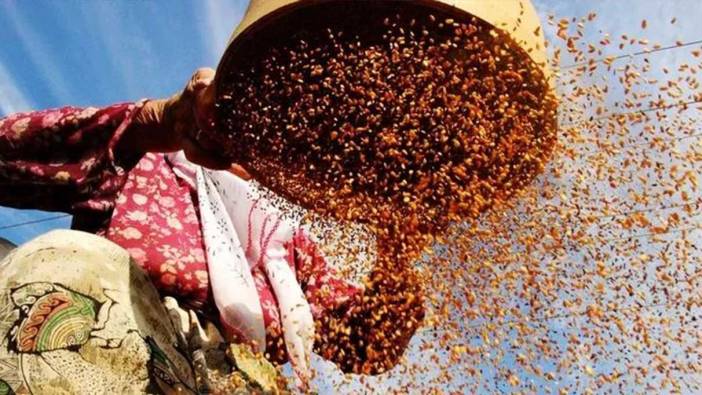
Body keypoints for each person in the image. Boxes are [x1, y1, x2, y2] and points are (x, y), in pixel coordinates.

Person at [0, 68, 422, 392]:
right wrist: (165, 120)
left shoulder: (287, 243)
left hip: (241, 379)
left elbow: (367, 344)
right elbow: (10, 153)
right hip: (118, 346)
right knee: (69, 257)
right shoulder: (139, 158)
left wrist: (400, 237)